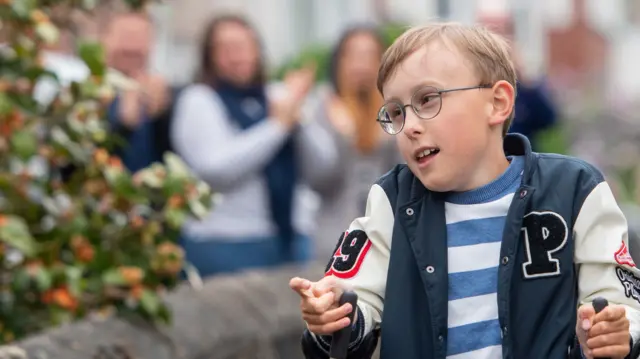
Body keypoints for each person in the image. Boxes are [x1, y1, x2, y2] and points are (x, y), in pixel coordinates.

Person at [290, 22, 640, 359]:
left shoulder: (576, 190)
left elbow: (621, 304)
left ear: (498, 103)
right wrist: (333, 313)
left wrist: (609, 332)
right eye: (396, 112)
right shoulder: (390, 201)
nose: (409, 126)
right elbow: (353, 303)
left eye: (427, 99)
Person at [170, 15, 338, 277]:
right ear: (209, 56)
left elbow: (325, 165)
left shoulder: (276, 95)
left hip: (287, 240)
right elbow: (216, 169)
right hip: (224, 243)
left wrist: (297, 119)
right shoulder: (199, 100)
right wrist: (277, 127)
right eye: (225, 48)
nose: (236, 56)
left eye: (244, 46)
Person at [308, 26, 402, 259]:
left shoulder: (394, 108)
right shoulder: (323, 108)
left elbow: (405, 175)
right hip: (336, 238)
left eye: (370, 55)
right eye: (354, 55)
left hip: (387, 236)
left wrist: (393, 134)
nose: (362, 65)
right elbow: (319, 181)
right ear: (339, 61)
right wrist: (344, 137)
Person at [103, 11, 173, 172]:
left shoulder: (164, 95)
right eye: (125, 37)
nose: (131, 47)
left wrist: (162, 116)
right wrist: (123, 125)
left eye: (139, 39)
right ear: (106, 39)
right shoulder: (85, 94)